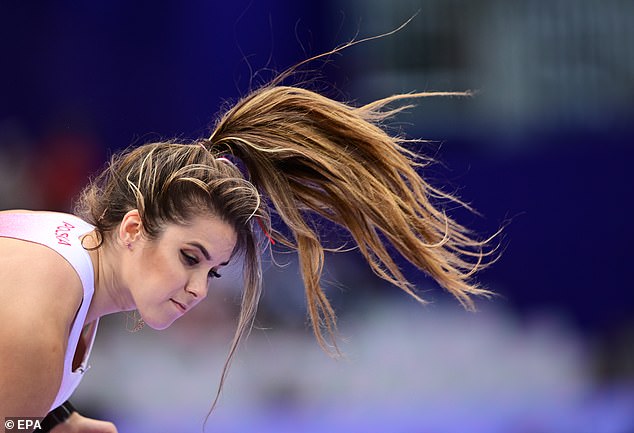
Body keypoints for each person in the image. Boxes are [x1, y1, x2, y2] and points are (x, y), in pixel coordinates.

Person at [0, 43, 496, 432]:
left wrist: (57, 419)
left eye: (212, 271)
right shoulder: (40, 323)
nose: (199, 289)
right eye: (189, 257)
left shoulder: (69, 253)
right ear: (133, 228)